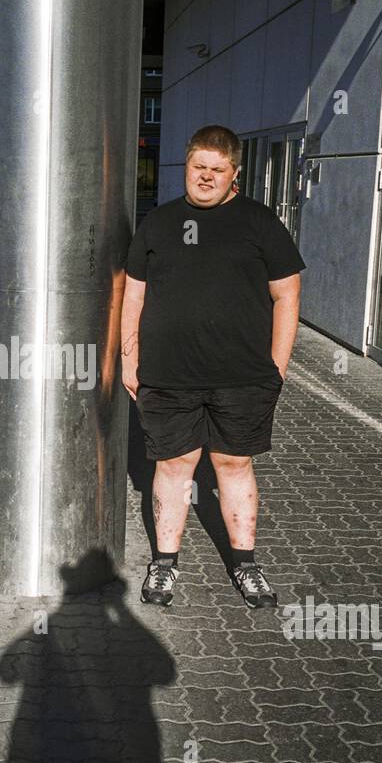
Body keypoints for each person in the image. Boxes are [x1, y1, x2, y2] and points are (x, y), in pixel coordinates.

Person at [120, 124, 305, 610]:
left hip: (243, 378)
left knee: (233, 463)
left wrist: (278, 368)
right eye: (198, 167)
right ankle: (164, 564)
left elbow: (287, 295)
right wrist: (129, 358)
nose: (205, 177)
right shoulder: (157, 224)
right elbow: (133, 294)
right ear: (186, 166)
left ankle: (246, 564)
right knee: (173, 465)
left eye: (216, 170)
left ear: (234, 174)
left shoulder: (261, 223)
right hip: (167, 375)